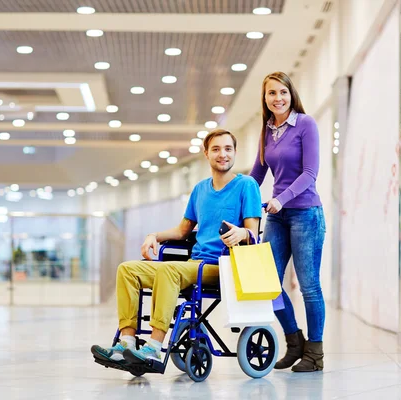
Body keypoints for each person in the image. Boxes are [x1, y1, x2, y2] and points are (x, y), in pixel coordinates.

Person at [91, 129, 262, 367]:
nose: (222, 154)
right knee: (127, 270)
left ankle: (153, 347)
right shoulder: (200, 189)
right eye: (216, 149)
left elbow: (252, 233)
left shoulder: (246, 185)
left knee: (167, 270)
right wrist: (154, 236)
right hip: (194, 265)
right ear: (206, 154)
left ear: (235, 152)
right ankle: (127, 344)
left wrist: (242, 232)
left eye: (228, 149)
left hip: (222, 266)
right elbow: (182, 231)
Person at [250, 71, 326, 372]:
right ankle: (294, 343)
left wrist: (281, 198)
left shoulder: (305, 124)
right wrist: (233, 198)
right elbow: (256, 175)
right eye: (272, 93)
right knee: (267, 282)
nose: (278, 98)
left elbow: (310, 174)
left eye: (283, 92)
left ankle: (315, 354)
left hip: (306, 213)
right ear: (265, 99)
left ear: (291, 94)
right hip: (277, 217)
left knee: (309, 286)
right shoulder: (266, 131)